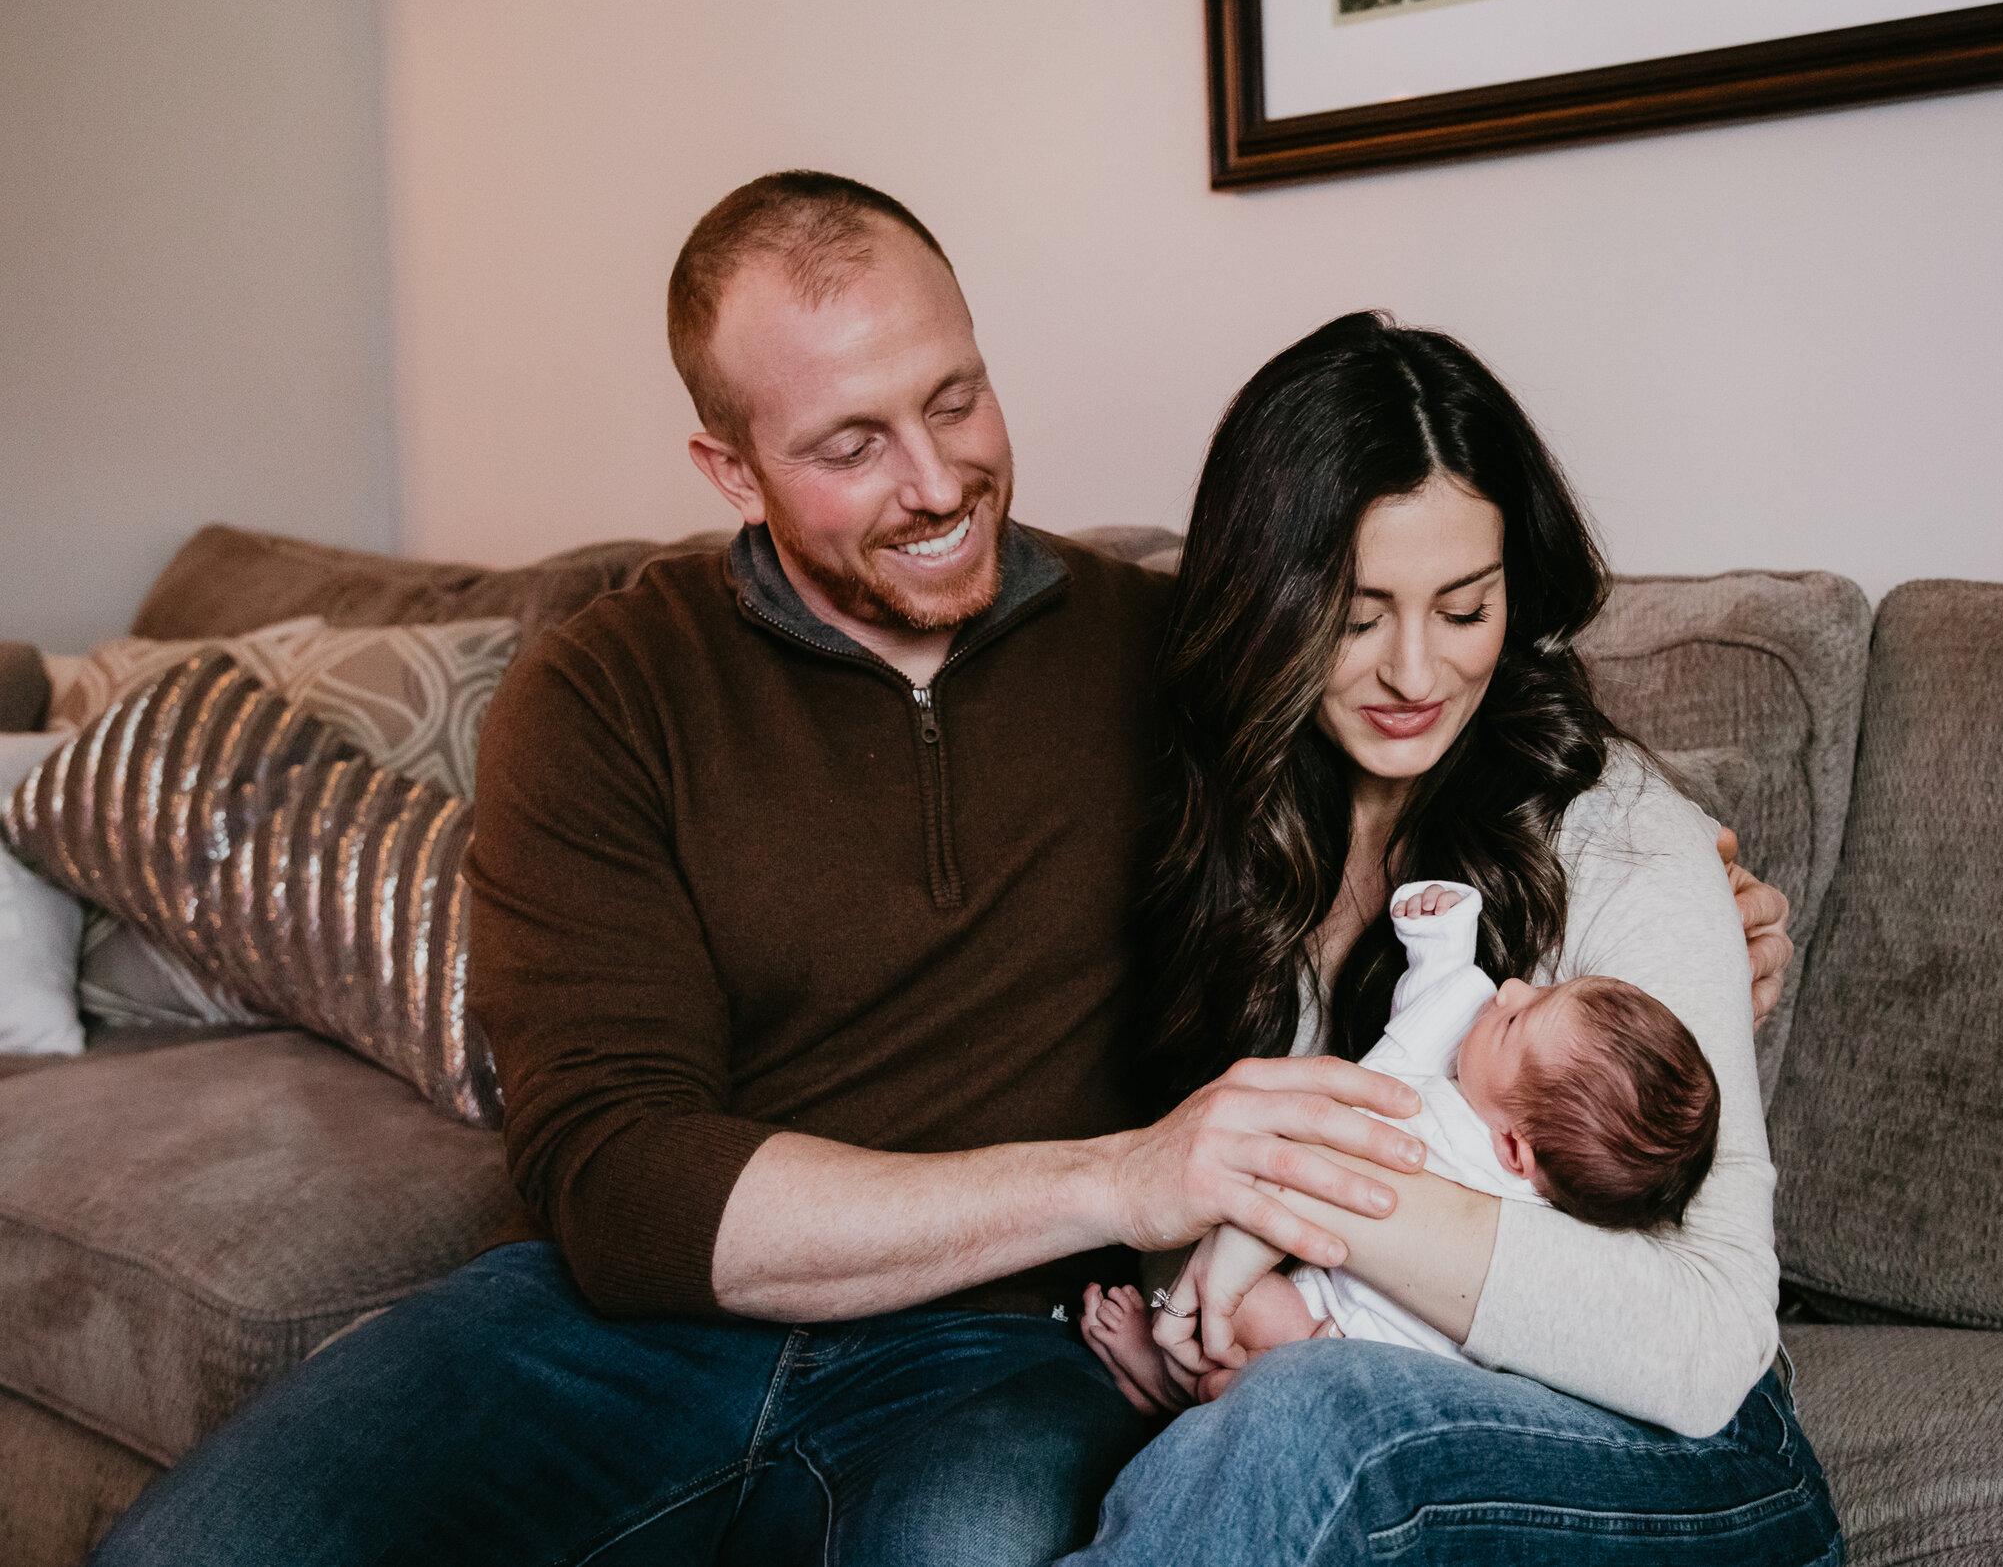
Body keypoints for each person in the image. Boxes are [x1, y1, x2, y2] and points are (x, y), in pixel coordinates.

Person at [89, 172, 1803, 1567]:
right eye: (848, 444)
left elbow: (1489, 824)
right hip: (637, 1320)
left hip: (1009, 1349)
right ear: (728, 468)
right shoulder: (610, 689)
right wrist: (1133, 1185)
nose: (936, 485)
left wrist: (1683, 939)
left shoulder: (1170, 662)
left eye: (957, 398)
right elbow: (616, 1179)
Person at [1057, 310, 1843, 1564]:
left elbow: (1703, 1344)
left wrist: (1283, 1212)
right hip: (1346, 1423)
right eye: (1356, 616)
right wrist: (1205, 1318)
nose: (1413, 670)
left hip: (1678, 1466)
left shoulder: (1623, 839)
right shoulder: (1223, 827)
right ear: (1266, 607)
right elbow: (1172, 1210)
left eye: (1463, 606)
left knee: (1315, 1417)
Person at [1081, 878, 1719, 1404]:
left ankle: (1176, 1388)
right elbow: (1445, 999)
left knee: (1251, 1318)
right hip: (1337, 1303)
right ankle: (1195, 1391)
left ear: (1515, 1152)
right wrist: (1444, 934)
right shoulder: (1506, 1112)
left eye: (1518, 1019)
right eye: (1544, 989)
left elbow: (1421, 1041)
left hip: (1356, 1341)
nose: (1513, 988)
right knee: (1236, 1310)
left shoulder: (1453, 1145)